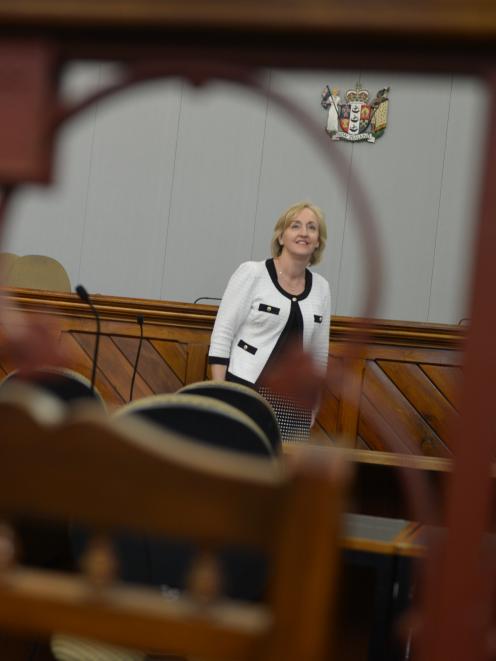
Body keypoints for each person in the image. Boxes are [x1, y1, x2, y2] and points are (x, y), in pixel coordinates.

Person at [208, 201, 331, 442]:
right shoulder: (252, 273)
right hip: (244, 391)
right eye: (295, 226)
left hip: (294, 403)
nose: (304, 233)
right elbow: (223, 333)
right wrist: (220, 392)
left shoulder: (322, 288)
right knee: (241, 466)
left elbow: (319, 353)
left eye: (311, 228)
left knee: (280, 476)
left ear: (318, 241)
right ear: (281, 236)